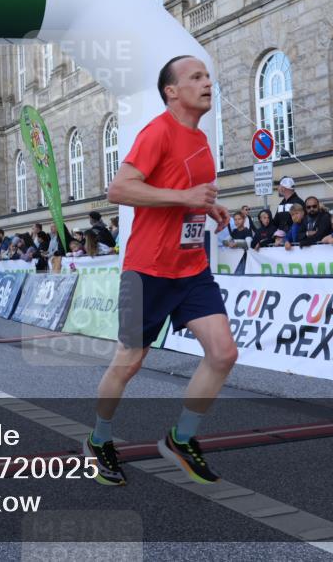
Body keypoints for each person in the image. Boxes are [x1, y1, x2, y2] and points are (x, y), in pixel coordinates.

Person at [85, 55, 234, 487]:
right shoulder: (157, 132)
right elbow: (119, 188)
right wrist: (183, 197)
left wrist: (210, 205)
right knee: (129, 361)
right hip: (146, 269)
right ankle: (99, 439)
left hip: (190, 267)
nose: (208, 82)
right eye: (196, 77)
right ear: (172, 91)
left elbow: (190, 194)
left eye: (208, 75)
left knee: (223, 353)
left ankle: (179, 438)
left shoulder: (202, 138)